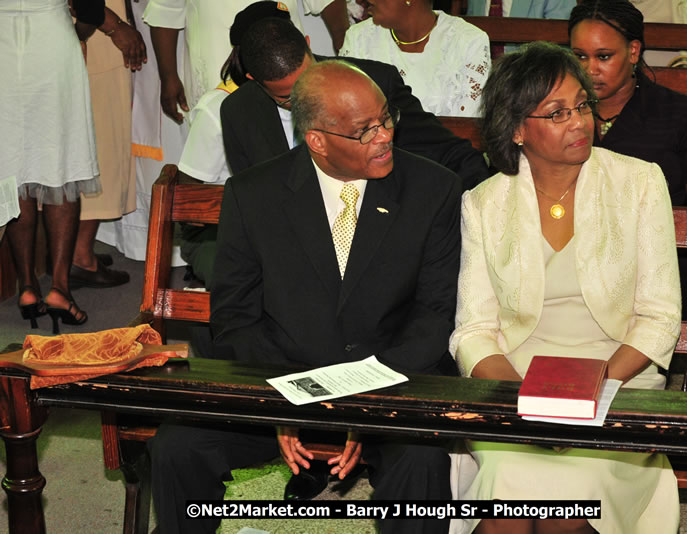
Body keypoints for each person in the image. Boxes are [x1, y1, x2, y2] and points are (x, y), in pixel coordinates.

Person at [148, 60, 460, 534]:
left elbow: (435, 316)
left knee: (422, 462)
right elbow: (236, 315)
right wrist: (282, 402)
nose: (383, 135)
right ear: (317, 140)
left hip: (389, 385)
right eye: (364, 130)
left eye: (385, 118)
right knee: (177, 447)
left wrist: (362, 405)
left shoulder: (432, 189)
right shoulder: (254, 194)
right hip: (280, 382)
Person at [449, 42, 681, 534]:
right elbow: (473, 330)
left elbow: (659, 317)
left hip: (617, 381)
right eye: (557, 113)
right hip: (518, 383)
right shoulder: (484, 203)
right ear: (516, 129)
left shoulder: (638, 182)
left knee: (567, 508)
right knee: (505, 503)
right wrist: (528, 404)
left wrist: (587, 395)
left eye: (582, 106)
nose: (579, 122)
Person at [568, 0, 687, 318]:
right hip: (566, 261)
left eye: (604, 57)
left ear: (634, 52)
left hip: (653, 267)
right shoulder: (557, 113)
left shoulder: (680, 115)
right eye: (579, 56)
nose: (589, 69)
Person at [221, 17, 489, 186]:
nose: (304, 99)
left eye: (309, 79)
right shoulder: (238, 112)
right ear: (253, 79)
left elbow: (451, 155)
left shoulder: (374, 81)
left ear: (308, 44)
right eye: (286, 98)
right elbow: (253, 197)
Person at [1, 0, 105, 333]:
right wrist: (74, 33)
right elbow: (90, 9)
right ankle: (59, 288)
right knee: (62, 163)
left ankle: (28, 286)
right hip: (51, 37)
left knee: (13, 167)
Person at [178, 2, 293, 286]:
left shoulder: (315, 95)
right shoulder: (218, 107)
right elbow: (189, 201)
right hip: (218, 231)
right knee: (249, 285)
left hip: (288, 225)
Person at [143, 0, 350, 124]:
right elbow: (165, 10)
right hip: (216, 69)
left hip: (285, 65)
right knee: (223, 158)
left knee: (296, 149)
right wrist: (168, 76)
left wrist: (345, 45)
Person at [72, 0, 146, 289]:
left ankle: (75, 250)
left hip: (93, 34)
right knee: (102, 148)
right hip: (97, 38)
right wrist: (115, 26)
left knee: (99, 144)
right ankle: (79, 257)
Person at [338, 0, 489, 117]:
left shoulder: (468, 41)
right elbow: (345, 112)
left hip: (444, 155)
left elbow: (468, 125)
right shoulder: (359, 38)